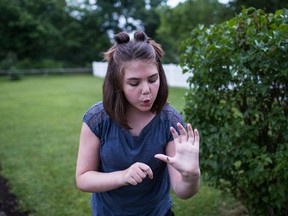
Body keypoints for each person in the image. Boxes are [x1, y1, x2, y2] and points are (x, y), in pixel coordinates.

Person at [75, 30, 201, 216]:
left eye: (153, 79)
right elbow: (83, 178)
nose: (147, 91)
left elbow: (182, 191)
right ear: (117, 83)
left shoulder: (170, 122)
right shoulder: (97, 119)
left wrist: (191, 176)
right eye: (134, 83)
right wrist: (123, 176)